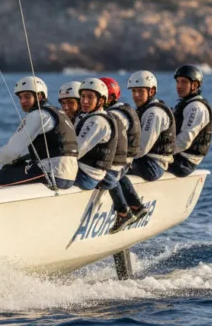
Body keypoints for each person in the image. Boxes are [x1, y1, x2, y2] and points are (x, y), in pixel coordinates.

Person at [0, 76, 77, 189]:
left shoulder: (37, 115)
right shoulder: (58, 112)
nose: (23, 101)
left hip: (53, 175)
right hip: (69, 175)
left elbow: (12, 151)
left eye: (27, 96)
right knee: (12, 168)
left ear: (40, 96)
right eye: (20, 97)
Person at [111, 70, 176, 228]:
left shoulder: (154, 113)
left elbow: (141, 149)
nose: (136, 95)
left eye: (140, 91)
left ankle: (135, 208)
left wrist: (116, 157)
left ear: (151, 91)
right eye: (134, 91)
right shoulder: (145, 109)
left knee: (113, 170)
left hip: (153, 165)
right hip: (148, 161)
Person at [101, 77, 147, 229]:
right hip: (128, 160)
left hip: (121, 161)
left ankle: (122, 211)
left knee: (105, 175)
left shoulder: (114, 115)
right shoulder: (125, 109)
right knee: (122, 176)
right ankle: (136, 206)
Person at [73, 78, 118, 193]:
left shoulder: (97, 121)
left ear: (101, 101)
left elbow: (76, 152)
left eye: (90, 97)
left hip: (86, 176)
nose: (85, 101)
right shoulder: (93, 117)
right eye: (82, 96)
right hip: (90, 173)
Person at [170, 64, 212, 177]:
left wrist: (162, 153)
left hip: (183, 163)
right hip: (178, 157)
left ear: (194, 85)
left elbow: (185, 140)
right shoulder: (187, 104)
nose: (179, 86)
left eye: (183, 82)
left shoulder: (196, 107)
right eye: (177, 81)